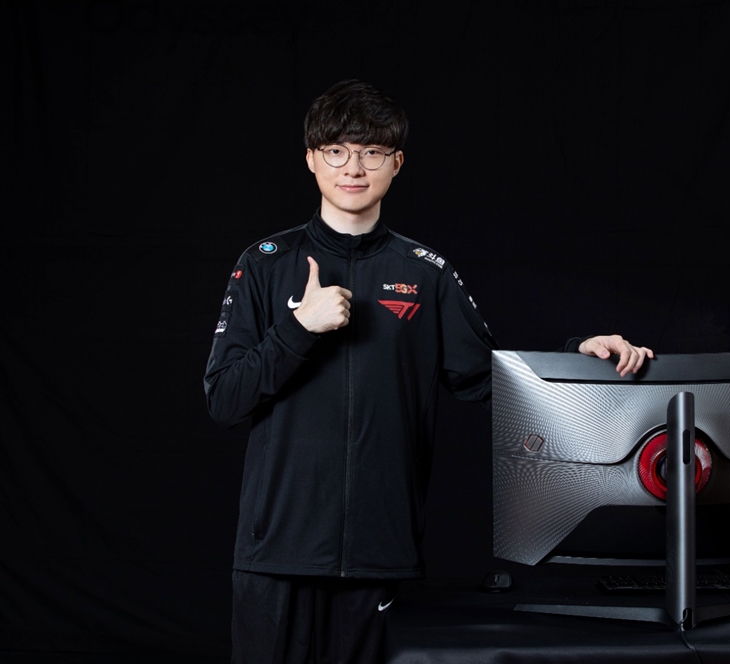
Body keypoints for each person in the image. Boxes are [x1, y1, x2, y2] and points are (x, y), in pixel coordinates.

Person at [204, 79, 653, 664]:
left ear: (396, 163)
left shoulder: (425, 272)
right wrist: (299, 328)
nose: (353, 168)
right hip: (275, 549)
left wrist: (577, 355)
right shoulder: (265, 265)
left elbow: (492, 381)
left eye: (372, 152)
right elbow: (225, 398)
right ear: (312, 159)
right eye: (337, 151)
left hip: (378, 550)